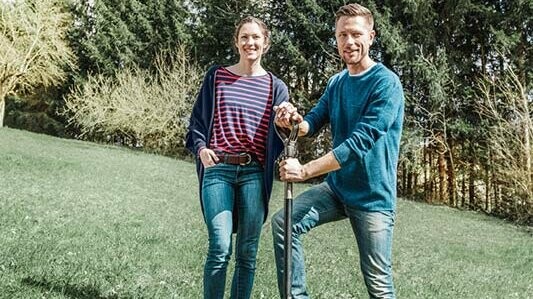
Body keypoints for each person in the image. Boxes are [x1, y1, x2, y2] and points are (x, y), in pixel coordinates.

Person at [271, 3, 404, 299]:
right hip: (337, 190)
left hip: (373, 198)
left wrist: (305, 171)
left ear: (371, 36)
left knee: (379, 285)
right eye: (342, 34)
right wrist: (293, 122)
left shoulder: (386, 84)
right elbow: (314, 120)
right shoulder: (337, 82)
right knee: (284, 224)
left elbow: (358, 144)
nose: (349, 41)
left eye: (356, 34)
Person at [185, 16, 289, 299]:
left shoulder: (275, 87)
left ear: (265, 44)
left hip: (253, 173)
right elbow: (197, 121)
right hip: (218, 169)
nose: (250, 43)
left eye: (256, 37)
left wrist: (287, 122)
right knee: (219, 246)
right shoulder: (217, 76)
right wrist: (201, 148)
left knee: (247, 252)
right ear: (236, 42)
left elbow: (281, 134)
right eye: (244, 37)